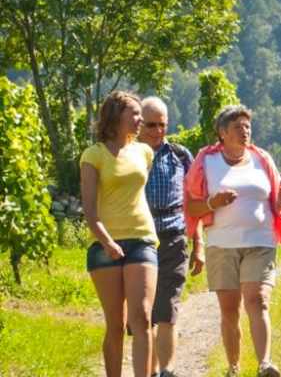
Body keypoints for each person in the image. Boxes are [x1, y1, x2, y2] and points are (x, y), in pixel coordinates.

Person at [183, 105, 281, 377]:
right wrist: (213, 202)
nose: (245, 131)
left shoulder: (262, 158)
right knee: (230, 310)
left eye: (247, 126)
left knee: (258, 300)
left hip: (261, 240)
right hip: (221, 245)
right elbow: (191, 206)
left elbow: (278, 194)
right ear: (222, 133)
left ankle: (264, 364)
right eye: (237, 127)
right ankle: (233, 368)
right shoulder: (206, 162)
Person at [81, 91, 158, 377]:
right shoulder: (93, 155)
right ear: (116, 115)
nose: (140, 120)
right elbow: (89, 208)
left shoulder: (144, 152)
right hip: (104, 245)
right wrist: (107, 241)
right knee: (115, 323)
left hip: (142, 240)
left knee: (142, 317)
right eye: (135, 114)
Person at [138, 97, 202, 377]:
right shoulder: (127, 154)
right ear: (139, 124)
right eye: (151, 124)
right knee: (144, 313)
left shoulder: (180, 155)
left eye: (162, 124)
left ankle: (167, 372)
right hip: (139, 238)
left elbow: (193, 203)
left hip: (175, 236)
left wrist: (198, 244)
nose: (157, 130)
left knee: (167, 307)